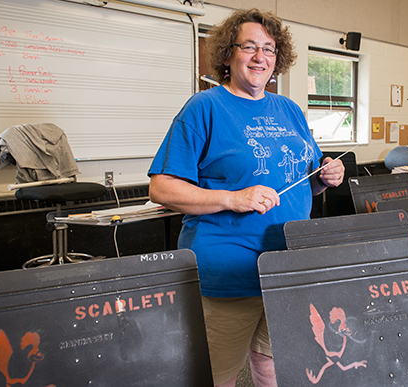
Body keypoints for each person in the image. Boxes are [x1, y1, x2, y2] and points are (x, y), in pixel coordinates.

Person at [147, 8, 345, 387]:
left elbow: (303, 181)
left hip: (286, 268)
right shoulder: (204, 108)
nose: (260, 57)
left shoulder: (289, 109)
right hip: (227, 270)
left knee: (272, 366)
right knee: (216, 376)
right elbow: (161, 187)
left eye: (269, 49)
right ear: (227, 54)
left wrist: (325, 177)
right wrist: (232, 199)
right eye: (249, 46)